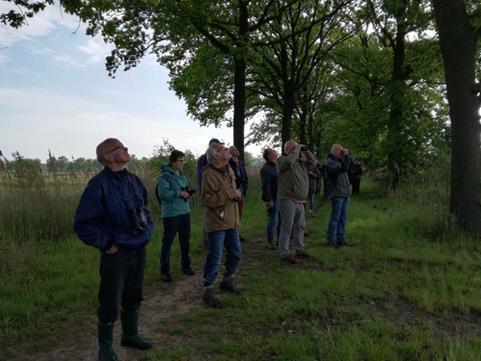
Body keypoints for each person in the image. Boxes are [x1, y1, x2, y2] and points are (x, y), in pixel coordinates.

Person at [74, 138, 153, 361]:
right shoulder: (97, 186)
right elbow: (83, 224)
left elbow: (144, 209)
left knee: (134, 293)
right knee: (110, 298)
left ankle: (130, 335)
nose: (127, 149)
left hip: (138, 247)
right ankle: (105, 347)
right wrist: (107, 244)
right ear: (108, 157)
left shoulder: (134, 180)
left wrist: (148, 230)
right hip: (116, 252)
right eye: (121, 147)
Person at [201, 145, 242, 308]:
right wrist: (230, 194)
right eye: (223, 149)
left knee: (236, 252)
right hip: (217, 223)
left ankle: (227, 280)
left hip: (232, 221)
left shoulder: (229, 169)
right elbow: (207, 200)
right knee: (215, 256)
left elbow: (234, 190)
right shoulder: (208, 174)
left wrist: (238, 194)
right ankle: (208, 289)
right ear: (216, 156)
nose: (227, 150)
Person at [156, 149, 195, 283]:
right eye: (180, 160)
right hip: (171, 214)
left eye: (183, 160)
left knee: (185, 241)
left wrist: (188, 194)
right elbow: (163, 194)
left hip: (185, 211)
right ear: (172, 162)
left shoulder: (182, 176)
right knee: (167, 243)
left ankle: (186, 266)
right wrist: (179, 193)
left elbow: (184, 190)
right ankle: (164, 271)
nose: (182, 163)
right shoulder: (164, 177)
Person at [277, 139, 316, 263]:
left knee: (300, 226)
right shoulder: (282, 160)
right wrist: (296, 150)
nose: (297, 150)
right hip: (287, 198)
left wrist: (307, 150)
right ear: (287, 150)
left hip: (300, 200)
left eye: (297, 148)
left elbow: (313, 163)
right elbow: (288, 161)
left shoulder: (301, 163)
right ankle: (284, 253)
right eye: (294, 148)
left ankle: (299, 249)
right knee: (287, 227)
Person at [197, 138, 224, 247]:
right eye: (216, 146)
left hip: (216, 191)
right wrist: (202, 192)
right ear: (211, 145)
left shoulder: (217, 158)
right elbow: (200, 176)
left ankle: (215, 240)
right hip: (207, 191)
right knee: (208, 217)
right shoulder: (203, 158)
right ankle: (206, 241)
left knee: (217, 216)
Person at [324, 143, 351, 248]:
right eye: (340, 151)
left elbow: (349, 167)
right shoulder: (329, 162)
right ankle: (330, 239)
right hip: (337, 193)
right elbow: (343, 169)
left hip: (344, 193)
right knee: (335, 217)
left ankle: (340, 239)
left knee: (343, 218)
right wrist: (346, 156)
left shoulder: (340, 160)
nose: (342, 153)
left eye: (342, 151)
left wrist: (347, 156)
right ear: (333, 151)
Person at [260, 147, 280, 249]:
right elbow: (265, 186)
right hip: (273, 198)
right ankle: (269, 242)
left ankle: (279, 241)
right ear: (269, 156)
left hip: (279, 197)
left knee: (280, 220)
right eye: (272, 151)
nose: (275, 152)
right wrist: (268, 200)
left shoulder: (275, 167)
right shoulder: (266, 169)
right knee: (273, 220)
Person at [228, 145, 249, 242]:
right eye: (234, 150)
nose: (237, 151)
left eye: (237, 149)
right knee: (233, 214)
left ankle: (237, 233)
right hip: (234, 192)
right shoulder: (229, 164)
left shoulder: (240, 163)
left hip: (241, 191)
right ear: (230, 152)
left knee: (239, 214)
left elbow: (245, 177)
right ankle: (233, 235)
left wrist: (244, 190)